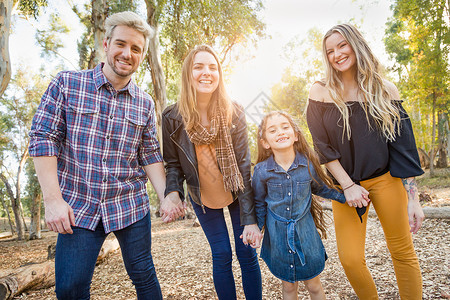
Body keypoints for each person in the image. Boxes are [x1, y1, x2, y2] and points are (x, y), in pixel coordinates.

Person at [29, 11, 167, 300]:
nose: (127, 53)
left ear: (142, 55)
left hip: (129, 204)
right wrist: (53, 201)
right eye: (121, 44)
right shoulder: (67, 84)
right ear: (106, 44)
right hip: (78, 206)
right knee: (70, 288)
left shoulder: (144, 103)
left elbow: (150, 154)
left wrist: (166, 197)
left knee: (144, 276)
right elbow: (43, 139)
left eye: (136, 49)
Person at [306, 24, 424, 299]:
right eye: (330, 51)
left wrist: (413, 198)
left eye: (342, 46)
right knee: (349, 259)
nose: (337, 54)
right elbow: (322, 148)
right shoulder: (321, 92)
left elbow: (403, 148)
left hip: (385, 179)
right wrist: (347, 186)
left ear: (355, 45)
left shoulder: (386, 89)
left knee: (402, 251)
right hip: (344, 185)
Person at [161, 44, 262, 300]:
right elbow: (173, 164)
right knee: (221, 254)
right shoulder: (172, 116)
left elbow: (243, 166)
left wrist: (250, 218)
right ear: (188, 74)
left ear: (219, 73)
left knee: (247, 253)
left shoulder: (234, 110)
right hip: (202, 195)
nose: (206, 73)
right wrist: (172, 192)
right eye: (198, 67)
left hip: (238, 192)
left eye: (212, 67)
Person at [252, 111, 346, 300]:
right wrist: (257, 228)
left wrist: (348, 197)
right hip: (278, 238)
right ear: (265, 143)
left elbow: (323, 189)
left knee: (314, 286)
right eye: (272, 130)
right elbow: (259, 203)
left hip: (305, 235)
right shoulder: (262, 171)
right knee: (288, 287)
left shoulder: (308, 165)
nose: (280, 132)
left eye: (285, 127)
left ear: (295, 135)